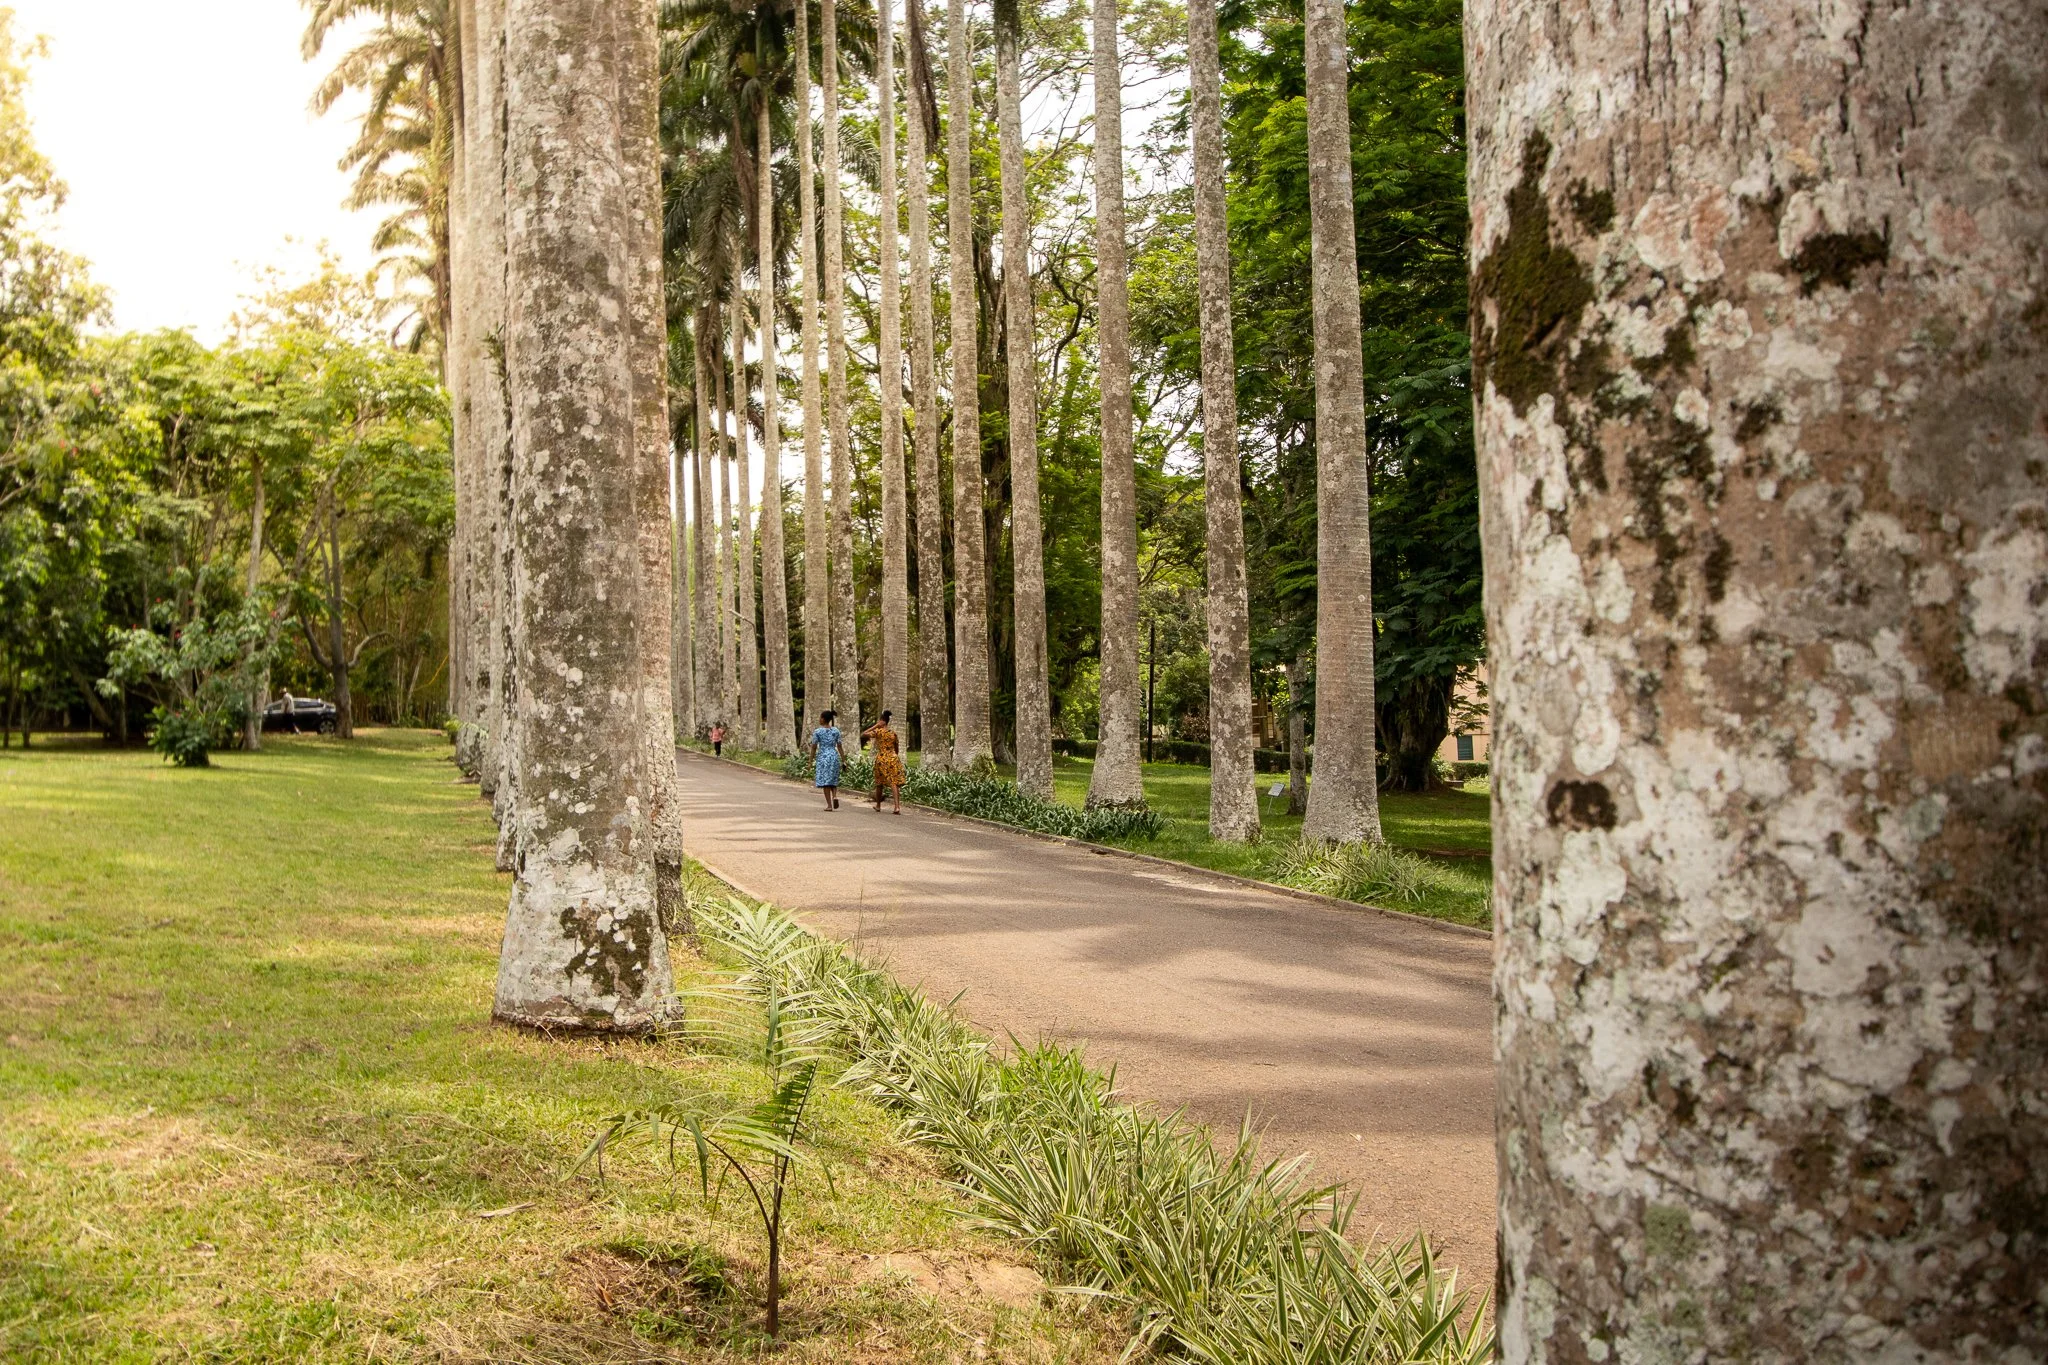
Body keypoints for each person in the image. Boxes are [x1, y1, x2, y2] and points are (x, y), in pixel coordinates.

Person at [863, 711, 907, 814]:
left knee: (879, 783)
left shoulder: (878, 732)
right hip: (893, 758)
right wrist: (894, 756)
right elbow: (897, 748)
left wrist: (875, 726)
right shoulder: (893, 733)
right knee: (894, 783)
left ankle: (878, 805)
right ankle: (897, 807)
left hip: (882, 759)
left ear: (882, 721)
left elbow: (864, 734)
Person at [807, 710, 844, 810]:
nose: (819, 719)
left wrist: (810, 761)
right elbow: (839, 746)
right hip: (834, 755)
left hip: (823, 757)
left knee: (825, 781)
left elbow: (814, 747)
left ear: (823, 719)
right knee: (833, 778)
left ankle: (829, 805)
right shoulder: (836, 731)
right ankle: (835, 796)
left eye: (820, 717)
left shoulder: (818, 732)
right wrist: (844, 760)